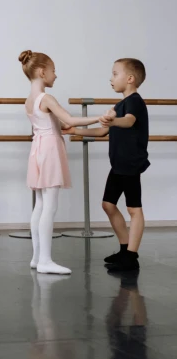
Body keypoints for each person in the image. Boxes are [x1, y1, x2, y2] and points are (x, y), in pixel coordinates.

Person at [19, 50, 102, 274]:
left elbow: (53, 124)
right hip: (49, 149)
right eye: (53, 71)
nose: (56, 75)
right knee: (50, 206)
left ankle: (37, 257)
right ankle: (45, 260)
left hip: (38, 148)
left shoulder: (30, 100)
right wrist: (100, 117)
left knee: (39, 205)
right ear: (42, 71)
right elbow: (70, 119)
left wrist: (57, 126)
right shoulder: (46, 98)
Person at [64, 58, 149, 273]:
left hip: (130, 163)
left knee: (134, 209)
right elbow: (101, 131)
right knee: (108, 205)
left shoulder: (134, 101)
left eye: (114, 74)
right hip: (118, 164)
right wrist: (75, 132)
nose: (111, 78)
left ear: (129, 79)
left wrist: (112, 121)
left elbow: (129, 121)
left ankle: (132, 255)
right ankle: (124, 248)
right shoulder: (119, 105)